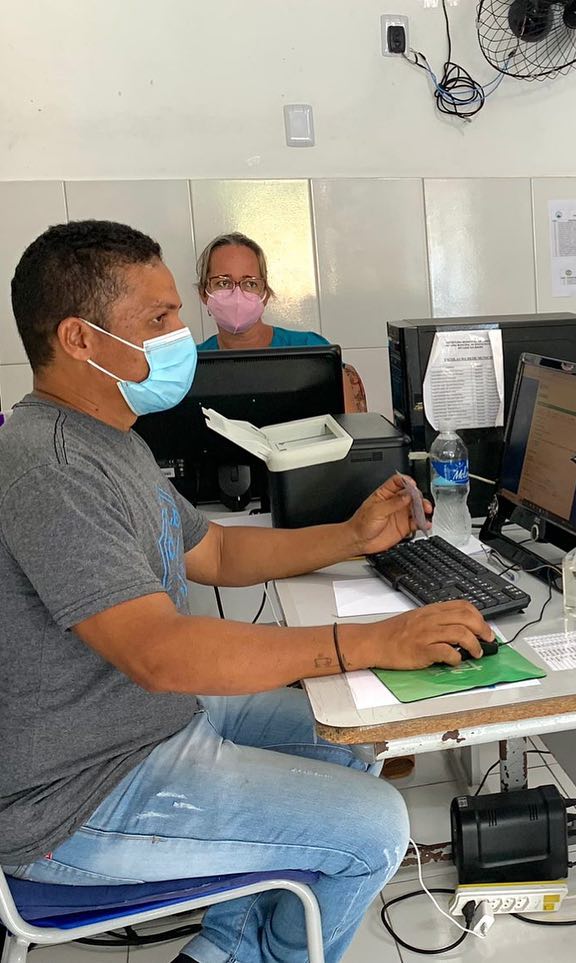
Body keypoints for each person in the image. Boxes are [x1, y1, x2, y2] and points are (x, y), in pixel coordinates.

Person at [0, 220, 494, 963]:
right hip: (75, 798)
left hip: (148, 727)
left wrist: (352, 536)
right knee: (375, 828)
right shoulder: (52, 464)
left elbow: (218, 550)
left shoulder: (110, 437)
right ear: (78, 338)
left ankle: (227, 949)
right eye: (159, 318)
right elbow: (161, 653)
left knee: (347, 737)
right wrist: (374, 641)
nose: (180, 335)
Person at [197, 232, 368, 413]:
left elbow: (348, 425)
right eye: (223, 283)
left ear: (265, 295)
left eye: (250, 284)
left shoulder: (311, 350)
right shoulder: (191, 365)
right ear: (203, 293)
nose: (237, 294)